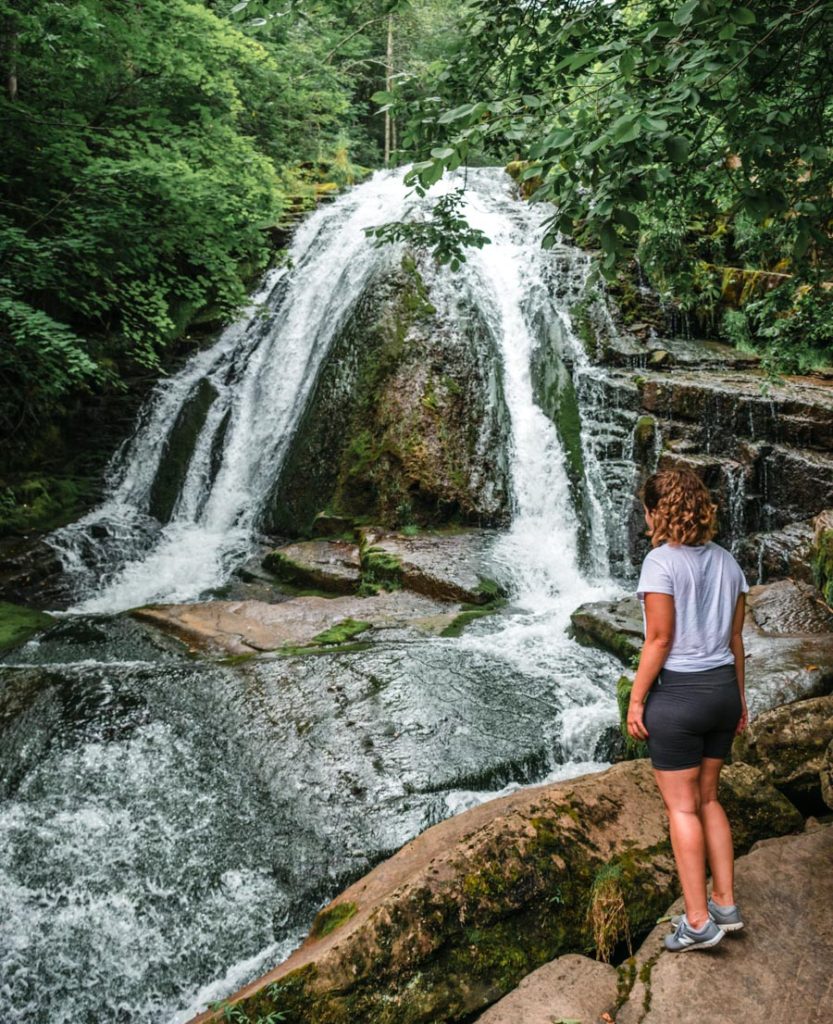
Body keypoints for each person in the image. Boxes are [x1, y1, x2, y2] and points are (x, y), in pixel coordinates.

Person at [627, 467, 749, 952]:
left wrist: (637, 699)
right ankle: (725, 902)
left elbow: (659, 639)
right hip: (722, 690)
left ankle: (697, 922)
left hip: (679, 696)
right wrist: (740, 700)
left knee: (682, 808)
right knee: (709, 800)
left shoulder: (661, 562)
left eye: (647, 509)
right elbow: (736, 640)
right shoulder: (728, 562)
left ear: (658, 512)